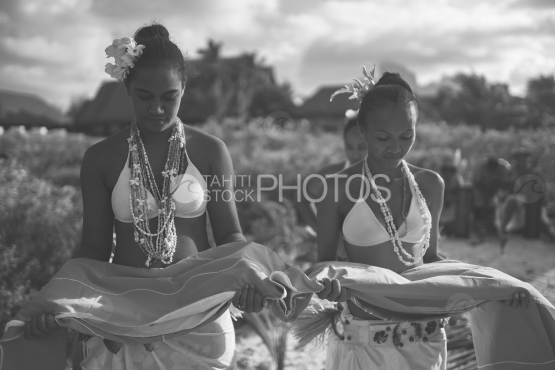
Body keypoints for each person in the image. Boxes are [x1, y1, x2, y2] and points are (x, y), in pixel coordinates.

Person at [21, 23, 261, 370]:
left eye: (169, 97)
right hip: (125, 318)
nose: (158, 109)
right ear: (127, 87)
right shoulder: (101, 158)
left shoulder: (210, 152)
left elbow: (229, 235)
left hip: (200, 314)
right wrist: (57, 298)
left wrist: (247, 279)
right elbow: (93, 248)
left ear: (184, 89)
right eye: (145, 96)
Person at [311, 71, 529, 370]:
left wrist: (497, 288)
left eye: (407, 135)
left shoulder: (430, 184)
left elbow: (431, 258)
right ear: (363, 131)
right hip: (366, 340)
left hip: (427, 338)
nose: (396, 147)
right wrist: (328, 285)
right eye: (383, 137)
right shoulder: (337, 188)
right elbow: (324, 264)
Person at [296, 114, 367, 260]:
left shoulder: (384, 176)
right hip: (338, 259)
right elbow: (301, 197)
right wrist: (324, 233)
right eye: (349, 147)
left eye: (362, 147)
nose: (354, 154)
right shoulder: (332, 174)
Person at [438, 162, 464, 236]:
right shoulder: (439, 178)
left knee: (454, 212)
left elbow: (461, 192)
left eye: (449, 171)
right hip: (442, 200)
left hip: (454, 201)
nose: (448, 173)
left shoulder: (457, 179)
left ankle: (451, 230)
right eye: (446, 171)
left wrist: (452, 197)